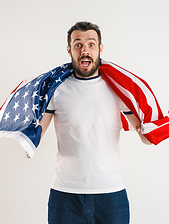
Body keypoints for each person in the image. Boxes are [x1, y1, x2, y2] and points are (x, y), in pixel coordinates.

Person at [40, 21, 150, 224]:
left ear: (100, 48)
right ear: (69, 50)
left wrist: (153, 133)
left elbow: (142, 133)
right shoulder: (56, 88)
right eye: (78, 45)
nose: (85, 50)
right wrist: (21, 133)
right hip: (65, 195)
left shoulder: (117, 87)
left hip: (111, 196)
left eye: (91, 44)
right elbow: (39, 131)